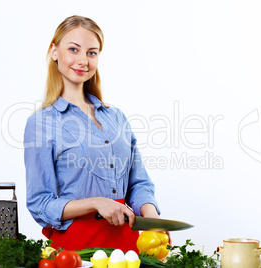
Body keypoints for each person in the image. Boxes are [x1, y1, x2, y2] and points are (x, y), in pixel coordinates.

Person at [23, 15, 161, 253]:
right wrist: (96, 203)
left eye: (91, 52)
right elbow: (40, 204)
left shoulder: (116, 117)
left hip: (128, 248)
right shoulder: (41, 123)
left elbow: (139, 183)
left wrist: (152, 215)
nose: (82, 61)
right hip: (76, 251)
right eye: (73, 49)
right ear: (54, 52)